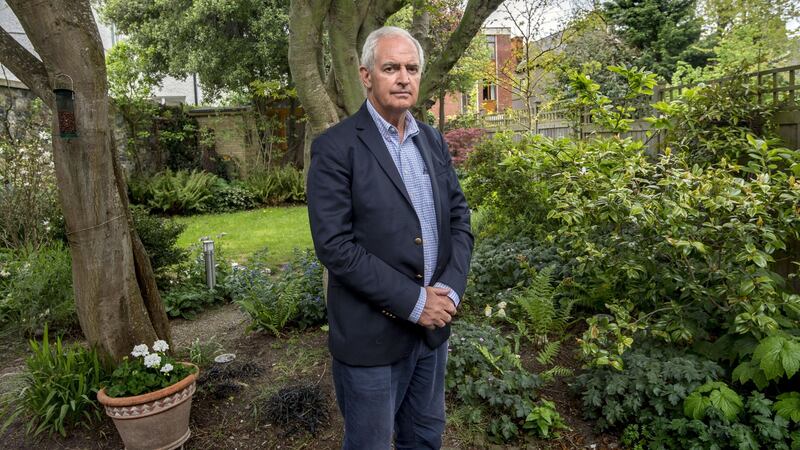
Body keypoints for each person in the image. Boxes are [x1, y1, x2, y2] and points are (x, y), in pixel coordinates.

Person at [307, 26, 473, 450]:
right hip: (371, 342)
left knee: (424, 438)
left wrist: (450, 292)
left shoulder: (432, 140)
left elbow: (459, 219)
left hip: (431, 336)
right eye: (391, 68)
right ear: (366, 75)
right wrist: (416, 304)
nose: (403, 77)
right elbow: (335, 247)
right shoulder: (335, 147)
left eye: (412, 68)